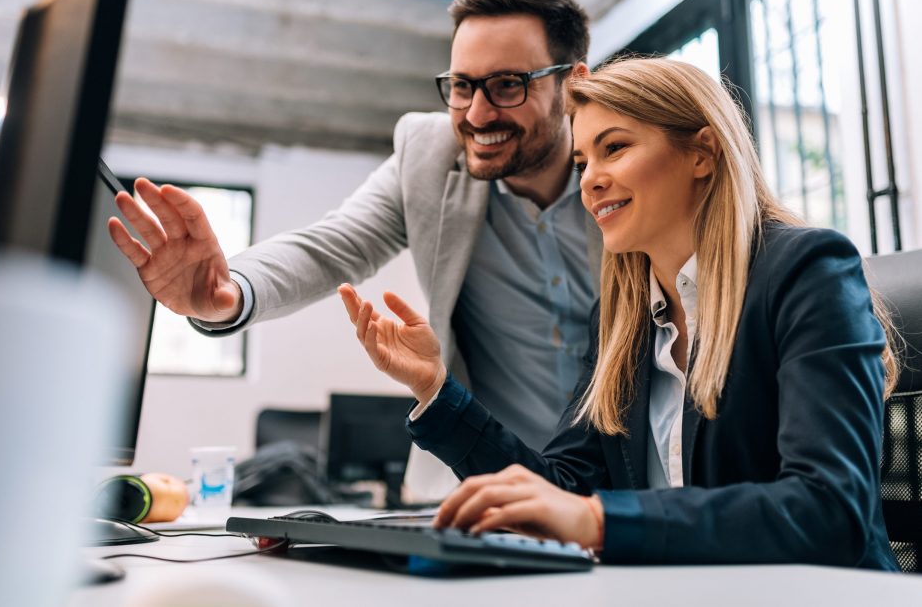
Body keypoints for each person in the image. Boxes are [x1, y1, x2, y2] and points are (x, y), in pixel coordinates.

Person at [338, 57, 900, 568]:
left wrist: (599, 522)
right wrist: (436, 390)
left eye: (616, 148)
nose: (590, 180)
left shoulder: (808, 272)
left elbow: (830, 509)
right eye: (583, 160)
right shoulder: (620, 319)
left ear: (702, 153)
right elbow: (561, 490)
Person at [106, 0, 602, 497]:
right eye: (461, 86)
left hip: (626, 484)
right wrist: (229, 291)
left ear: (572, 83)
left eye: (507, 85)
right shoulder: (430, 156)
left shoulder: (628, 168)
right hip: (485, 484)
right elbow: (332, 245)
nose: (477, 114)